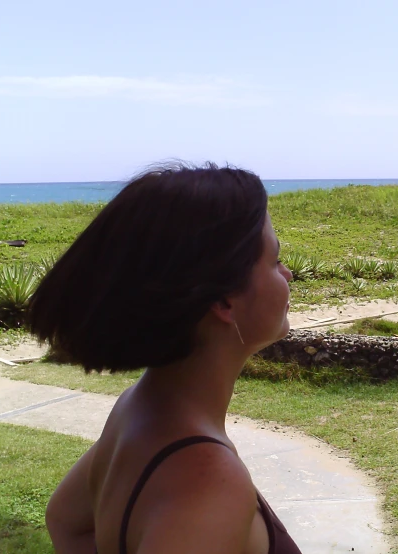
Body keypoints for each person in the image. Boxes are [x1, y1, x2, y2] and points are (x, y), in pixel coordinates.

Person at [28, 163, 301, 554]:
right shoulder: (206, 481)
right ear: (224, 300)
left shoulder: (138, 408)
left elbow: (67, 523)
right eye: (274, 261)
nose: (288, 275)